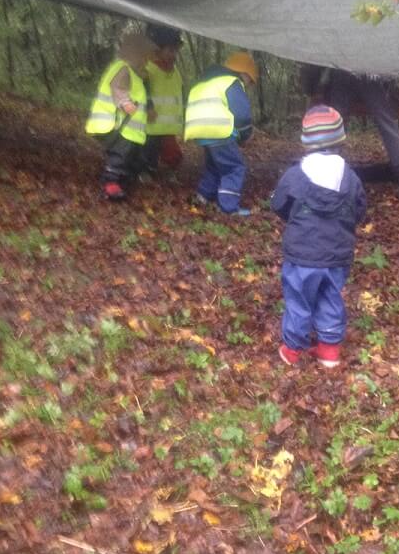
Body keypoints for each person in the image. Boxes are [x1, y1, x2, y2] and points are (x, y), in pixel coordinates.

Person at [271, 104, 367, 369]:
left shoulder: (295, 175)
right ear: (340, 139)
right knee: (330, 296)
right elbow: (359, 209)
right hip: (337, 254)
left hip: (302, 254)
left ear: (306, 141)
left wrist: (296, 218)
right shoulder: (350, 176)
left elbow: (279, 204)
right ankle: (329, 350)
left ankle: (292, 349)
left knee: (298, 298)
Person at [306, 68, 399, 199]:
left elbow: (316, 59)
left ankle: (321, 184)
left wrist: (312, 88)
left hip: (342, 71)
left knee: (333, 126)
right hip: (371, 72)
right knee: (388, 125)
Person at [184, 51, 258, 216]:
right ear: (244, 73)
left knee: (214, 165)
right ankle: (228, 206)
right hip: (218, 128)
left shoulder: (206, 80)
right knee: (234, 167)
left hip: (197, 129)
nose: (248, 85)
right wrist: (245, 134)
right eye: (250, 81)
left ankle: (202, 196)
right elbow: (241, 114)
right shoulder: (232, 82)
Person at [85, 31, 156, 201]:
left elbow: (140, 96)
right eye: (144, 56)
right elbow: (117, 87)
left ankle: (123, 179)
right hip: (116, 124)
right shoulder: (123, 68)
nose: (146, 60)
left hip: (128, 128)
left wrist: (147, 110)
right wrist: (125, 102)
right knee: (120, 154)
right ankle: (110, 182)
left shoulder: (135, 73)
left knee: (131, 154)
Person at [143, 25, 185, 176]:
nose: (174, 55)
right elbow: (143, 91)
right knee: (148, 153)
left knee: (174, 156)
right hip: (151, 125)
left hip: (168, 126)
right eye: (170, 50)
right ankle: (145, 173)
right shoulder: (148, 69)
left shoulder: (175, 72)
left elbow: (179, 94)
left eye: (176, 51)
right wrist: (148, 107)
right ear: (158, 50)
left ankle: (167, 173)